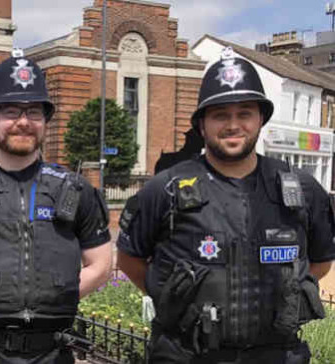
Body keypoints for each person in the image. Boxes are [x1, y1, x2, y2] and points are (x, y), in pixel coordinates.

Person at [117, 47, 335, 364]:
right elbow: (130, 260)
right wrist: (175, 300)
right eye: (220, 115)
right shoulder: (164, 189)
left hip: (277, 354)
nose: (233, 125)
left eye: (244, 113)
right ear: (202, 125)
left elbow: (321, 262)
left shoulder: (301, 189)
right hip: (189, 355)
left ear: (261, 118)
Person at [0, 50, 113, 364]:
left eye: (34, 112)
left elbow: (102, 265)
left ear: (45, 121)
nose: (23, 122)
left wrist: (59, 296)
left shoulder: (76, 190)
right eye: (12, 111)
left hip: (52, 353)